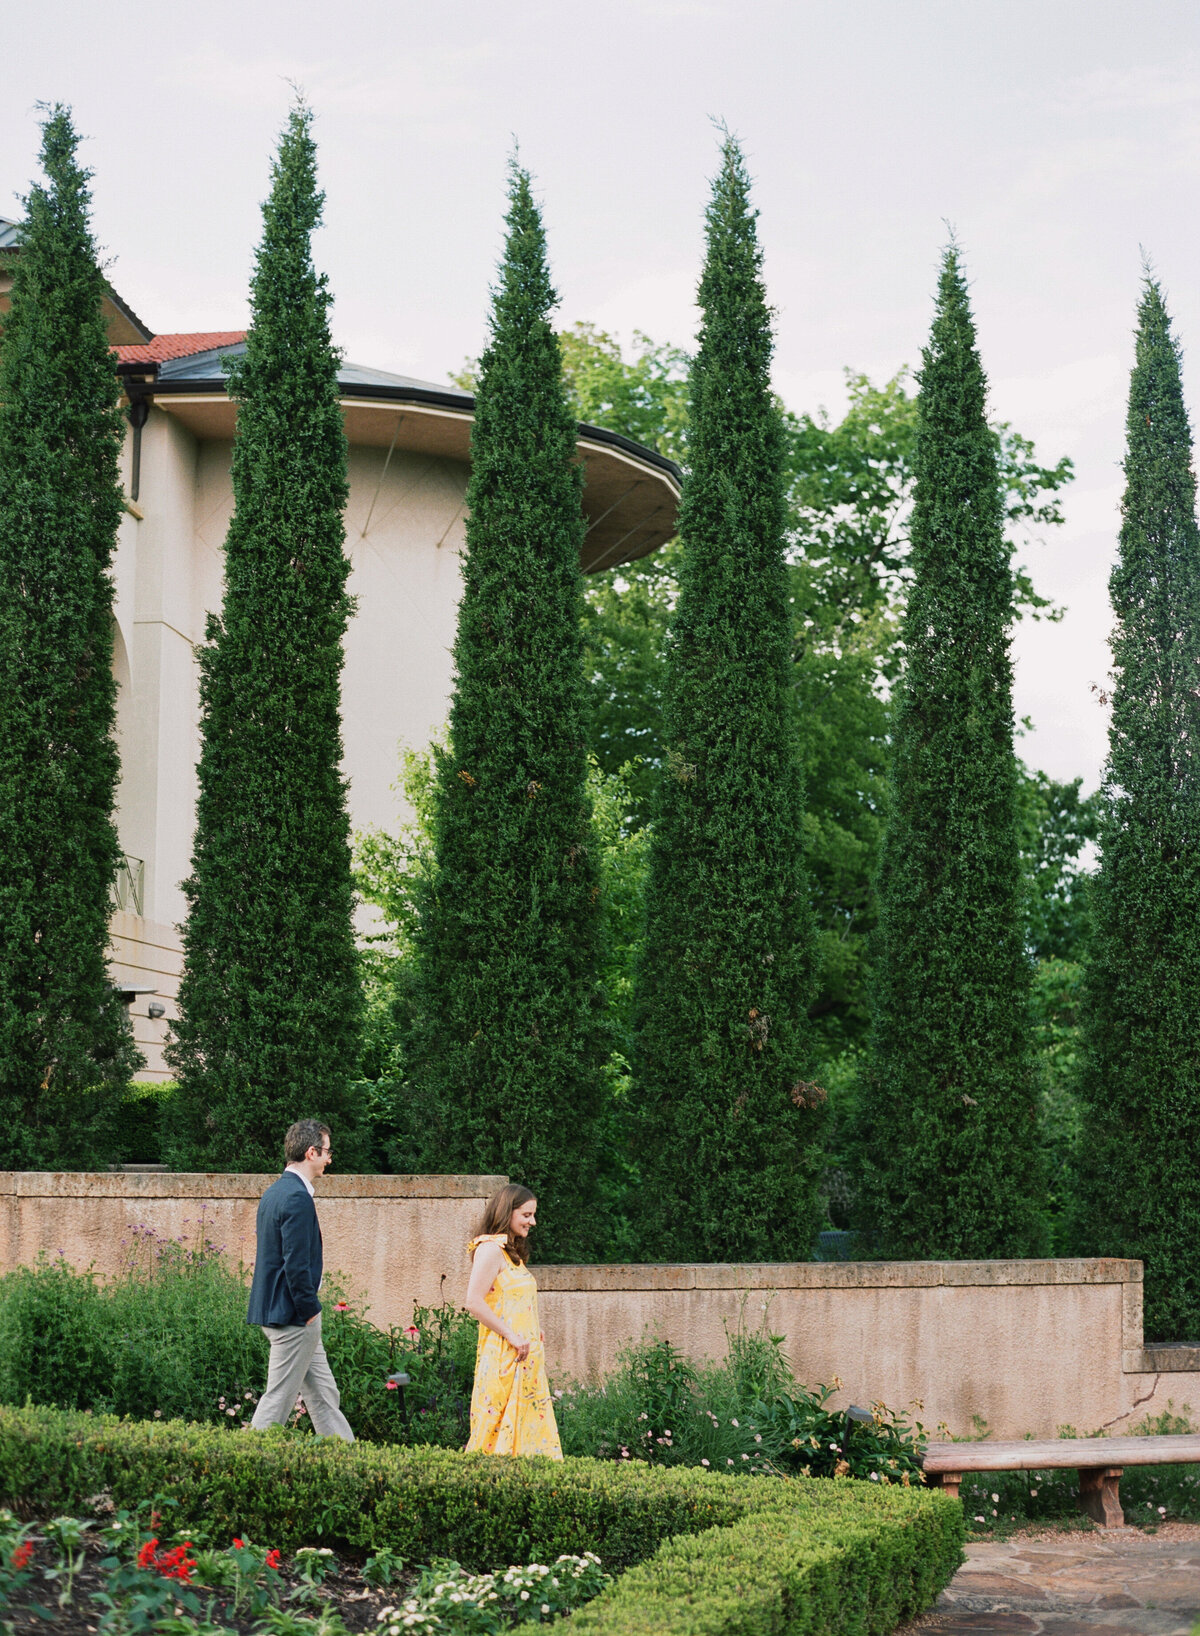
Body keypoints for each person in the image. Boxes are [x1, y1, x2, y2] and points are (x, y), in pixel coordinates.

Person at [245, 1119, 354, 1442]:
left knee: (323, 1394)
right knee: (277, 1400)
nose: (329, 1159)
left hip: (287, 1313)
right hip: (294, 1317)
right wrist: (309, 1310)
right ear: (311, 1152)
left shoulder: (276, 1192)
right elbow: (295, 1266)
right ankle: (245, 1462)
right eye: (326, 1152)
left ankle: (347, 1462)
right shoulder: (296, 1197)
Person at [463, 1183, 562, 1458]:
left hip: (523, 1358)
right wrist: (512, 1335)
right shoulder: (490, 1250)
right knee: (493, 1433)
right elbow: (473, 1301)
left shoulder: (511, 1253)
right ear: (508, 1212)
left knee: (526, 1435)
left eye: (533, 1215)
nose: (533, 1221)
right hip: (503, 1358)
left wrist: (532, 1328)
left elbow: (512, 1301)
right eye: (526, 1215)